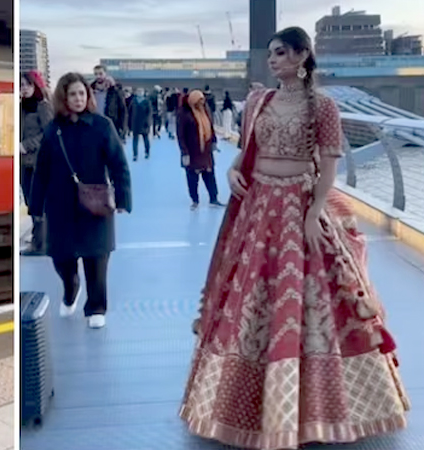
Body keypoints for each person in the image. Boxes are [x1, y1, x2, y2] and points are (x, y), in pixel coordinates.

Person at [180, 27, 409, 450]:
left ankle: (317, 410)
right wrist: (232, 172)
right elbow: (246, 151)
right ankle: (243, 405)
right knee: (252, 298)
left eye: (282, 52)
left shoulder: (322, 106)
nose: (273, 60)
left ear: (304, 56)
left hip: (299, 206)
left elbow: (329, 166)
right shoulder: (258, 101)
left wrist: (315, 214)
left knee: (311, 299)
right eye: (271, 53)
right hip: (258, 206)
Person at [28, 72, 132, 330]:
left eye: (82, 94)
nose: (78, 99)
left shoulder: (102, 125)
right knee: (62, 259)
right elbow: (41, 171)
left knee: (97, 257)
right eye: (72, 94)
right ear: (63, 97)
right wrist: (36, 207)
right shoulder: (54, 130)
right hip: (60, 206)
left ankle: (96, 307)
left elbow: (119, 164)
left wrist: (122, 198)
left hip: (95, 204)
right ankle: (71, 287)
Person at [20, 70, 53, 256]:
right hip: (24, 163)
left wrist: (27, 145)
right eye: (21, 85)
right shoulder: (22, 108)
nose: (24, 89)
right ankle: (39, 239)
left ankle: (40, 243)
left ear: (35, 86)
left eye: (27, 85)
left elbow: (48, 133)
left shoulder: (42, 106)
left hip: (38, 162)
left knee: (38, 202)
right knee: (31, 202)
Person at [177, 90, 223, 209]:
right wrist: (184, 152)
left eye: (203, 101)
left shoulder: (205, 111)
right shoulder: (184, 113)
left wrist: (213, 141)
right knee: (192, 177)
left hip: (205, 150)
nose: (201, 103)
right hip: (192, 151)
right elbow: (180, 134)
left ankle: (213, 198)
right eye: (199, 101)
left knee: (209, 174)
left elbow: (210, 127)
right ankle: (195, 200)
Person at [129, 87, 152, 161]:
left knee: (145, 138)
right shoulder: (133, 101)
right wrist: (129, 123)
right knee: (135, 139)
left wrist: (148, 122)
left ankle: (147, 152)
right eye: (138, 91)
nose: (139, 93)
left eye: (141, 91)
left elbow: (149, 113)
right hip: (135, 123)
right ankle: (135, 154)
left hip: (144, 123)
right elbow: (130, 112)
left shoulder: (146, 101)